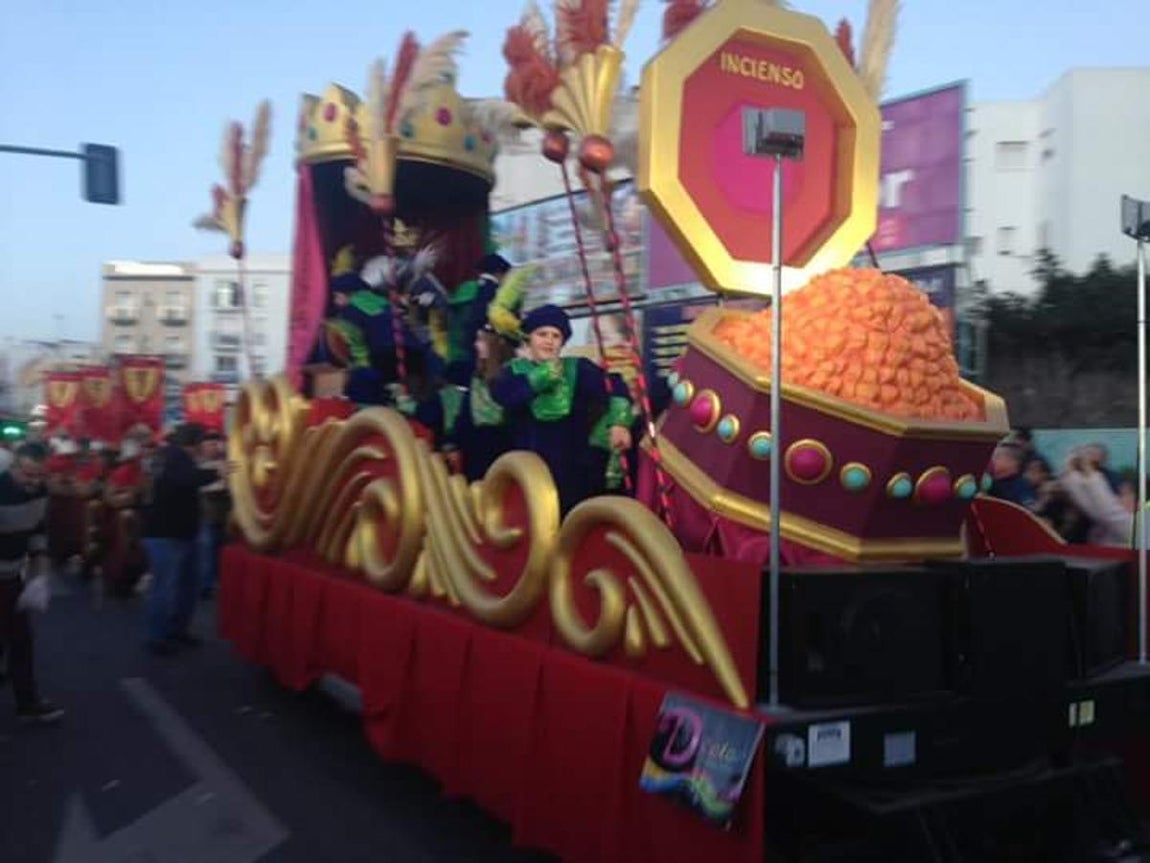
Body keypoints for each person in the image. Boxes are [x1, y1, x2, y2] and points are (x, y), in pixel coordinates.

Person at [491, 304, 633, 514]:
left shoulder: (578, 368)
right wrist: (539, 379)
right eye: (542, 334)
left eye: (555, 335)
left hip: (576, 471)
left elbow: (616, 386)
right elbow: (505, 396)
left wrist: (619, 423)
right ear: (529, 338)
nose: (549, 340)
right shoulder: (512, 372)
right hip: (530, 472)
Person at [141, 423, 229, 655]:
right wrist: (216, 472)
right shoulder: (172, 456)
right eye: (203, 442)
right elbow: (186, 480)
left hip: (184, 532)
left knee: (186, 587)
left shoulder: (175, 456)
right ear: (194, 443)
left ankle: (177, 629)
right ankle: (158, 637)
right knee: (166, 587)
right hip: (166, 534)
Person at [0, 442, 64, 723]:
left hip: (13, 576)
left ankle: (27, 702)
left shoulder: (40, 490)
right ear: (14, 468)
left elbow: (37, 530)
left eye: (40, 475)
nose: (34, 482)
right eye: (28, 475)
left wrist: (40, 574)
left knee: (21, 641)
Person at [197, 431, 231, 599]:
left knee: (220, 551)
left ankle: (218, 582)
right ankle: (205, 585)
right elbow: (204, 488)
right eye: (210, 444)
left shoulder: (225, 463)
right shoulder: (199, 465)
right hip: (207, 516)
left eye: (216, 444)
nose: (214, 447)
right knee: (207, 551)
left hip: (224, 516)